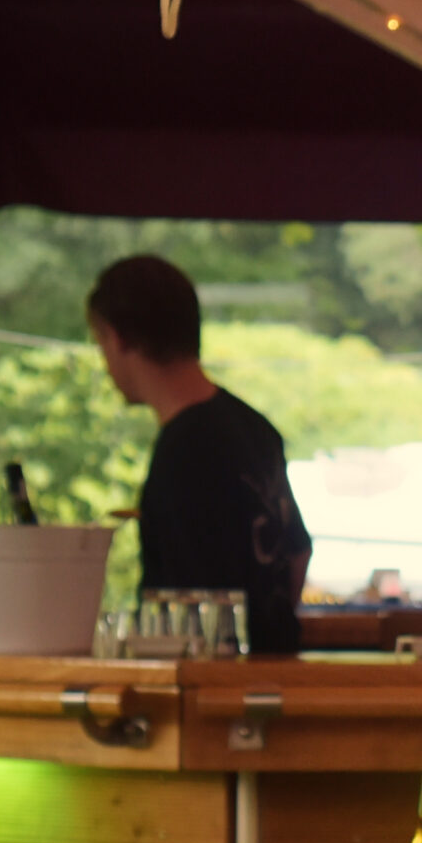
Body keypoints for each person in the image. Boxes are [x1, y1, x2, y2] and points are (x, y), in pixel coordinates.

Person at [87, 255, 311, 655]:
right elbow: (296, 552)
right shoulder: (255, 428)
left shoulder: (184, 450)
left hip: (210, 680)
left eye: (100, 343)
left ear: (118, 338)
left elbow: (182, 609)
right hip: (274, 665)